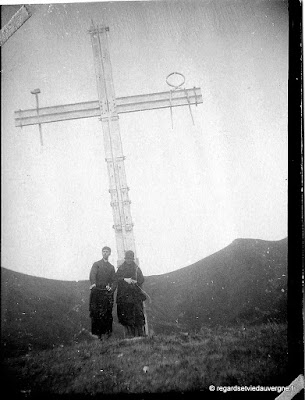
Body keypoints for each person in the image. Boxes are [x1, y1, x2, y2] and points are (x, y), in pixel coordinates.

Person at [114, 250, 146, 338]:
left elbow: (142, 279)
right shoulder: (121, 268)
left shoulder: (136, 268)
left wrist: (136, 281)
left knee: (139, 313)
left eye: (130, 259)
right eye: (127, 258)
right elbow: (116, 278)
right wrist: (125, 280)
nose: (129, 260)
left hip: (135, 294)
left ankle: (141, 332)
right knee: (127, 313)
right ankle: (130, 334)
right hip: (124, 295)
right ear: (125, 259)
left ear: (132, 259)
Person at [89, 246, 115, 339]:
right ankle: (98, 335)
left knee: (107, 313)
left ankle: (107, 334)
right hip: (97, 291)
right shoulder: (96, 264)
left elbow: (113, 280)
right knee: (96, 313)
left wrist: (110, 288)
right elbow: (92, 275)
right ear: (101, 253)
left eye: (107, 252)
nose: (105, 253)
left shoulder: (111, 267)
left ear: (109, 253)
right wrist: (93, 284)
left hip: (106, 292)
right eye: (103, 251)